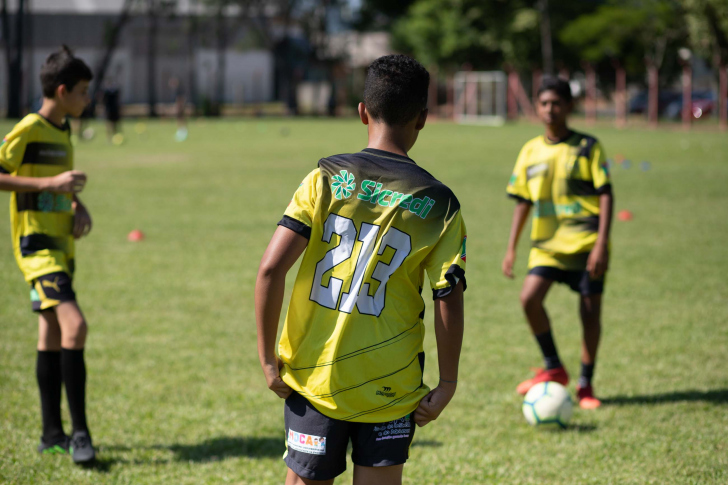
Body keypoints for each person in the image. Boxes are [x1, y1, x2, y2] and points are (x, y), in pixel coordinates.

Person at [255, 55, 467, 485]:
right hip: (392, 385)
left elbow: (269, 271)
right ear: (422, 119)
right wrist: (447, 382)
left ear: (362, 112)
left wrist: (267, 361)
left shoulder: (327, 177)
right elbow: (448, 296)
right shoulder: (440, 203)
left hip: (316, 379)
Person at [0, 45, 96, 462]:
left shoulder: (63, 130)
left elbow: (59, 186)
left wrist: (77, 205)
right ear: (61, 90)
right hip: (36, 248)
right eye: (82, 92)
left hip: (61, 246)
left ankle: (51, 433)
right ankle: (81, 435)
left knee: (52, 334)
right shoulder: (29, 128)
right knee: (75, 327)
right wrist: (49, 185)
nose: (87, 100)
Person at [502, 77, 614, 409]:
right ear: (537, 107)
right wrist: (511, 247)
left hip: (584, 246)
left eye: (557, 103)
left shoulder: (588, 146)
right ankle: (554, 367)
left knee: (590, 315)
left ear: (569, 107)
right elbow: (523, 201)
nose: (550, 109)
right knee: (529, 299)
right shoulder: (530, 150)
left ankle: (586, 384)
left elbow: (606, 194)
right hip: (547, 246)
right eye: (544, 103)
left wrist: (601, 244)